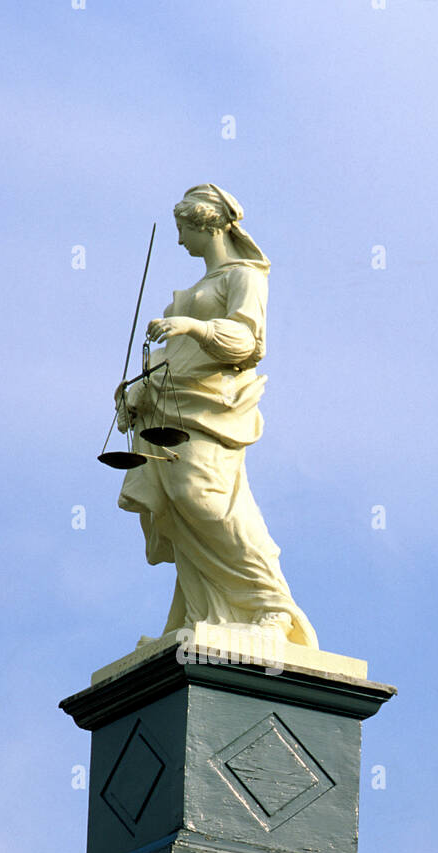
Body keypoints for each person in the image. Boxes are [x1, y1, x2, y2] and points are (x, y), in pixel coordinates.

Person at [115, 183, 318, 649]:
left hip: (209, 408)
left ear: (206, 225)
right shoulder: (192, 289)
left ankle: (270, 606)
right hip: (168, 408)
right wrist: (137, 391)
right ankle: (203, 611)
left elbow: (247, 342)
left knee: (206, 501)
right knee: (184, 510)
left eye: (183, 229)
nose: (179, 240)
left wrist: (193, 325)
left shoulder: (244, 276)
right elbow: (175, 357)